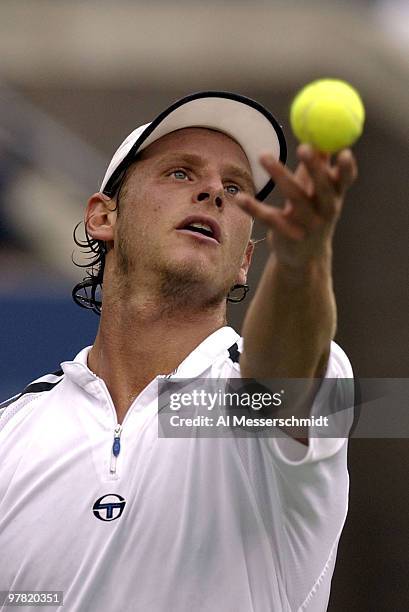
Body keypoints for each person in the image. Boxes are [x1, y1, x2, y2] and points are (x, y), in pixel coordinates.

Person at [0, 91, 357, 611]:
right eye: (181, 174)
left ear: (245, 260)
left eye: (235, 187)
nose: (214, 191)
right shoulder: (12, 432)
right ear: (103, 217)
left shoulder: (270, 394)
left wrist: (302, 261)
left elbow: (282, 382)